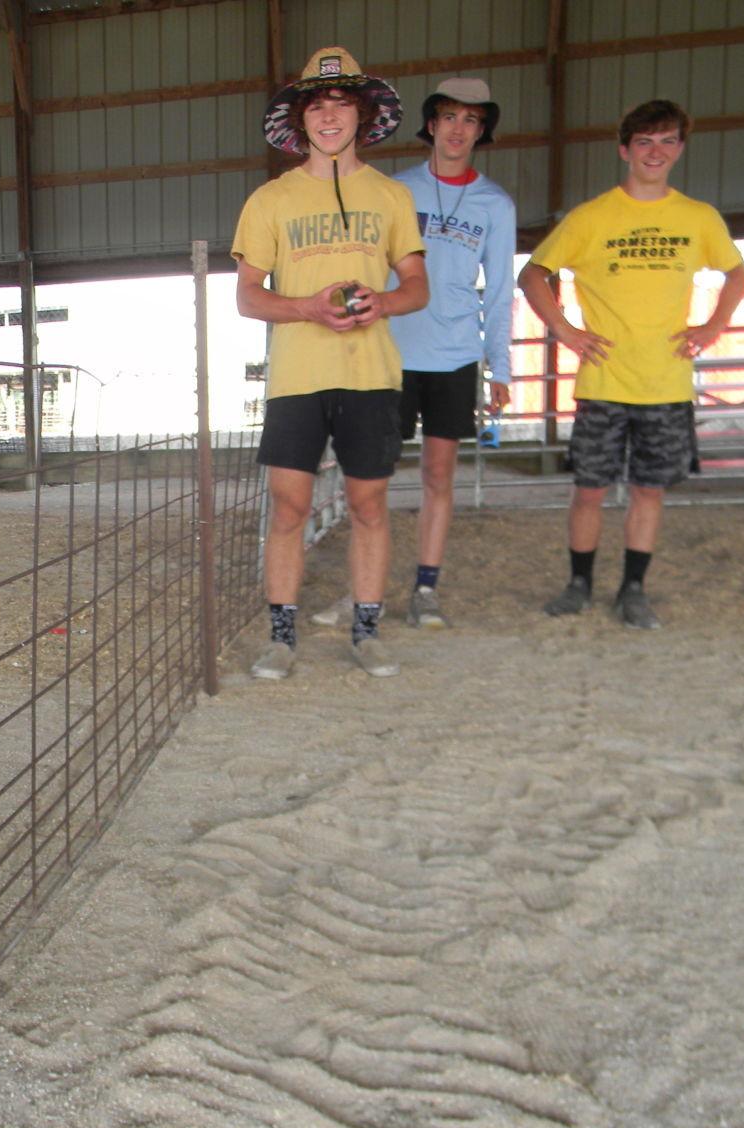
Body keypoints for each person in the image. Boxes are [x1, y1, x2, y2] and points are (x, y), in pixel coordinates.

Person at [232, 46, 428, 679]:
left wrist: (383, 303)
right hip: (298, 377)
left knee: (370, 505)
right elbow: (247, 296)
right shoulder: (270, 200)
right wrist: (309, 308)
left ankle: (365, 630)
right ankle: (281, 636)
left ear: (363, 115)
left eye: (342, 104)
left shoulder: (391, 196)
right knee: (287, 507)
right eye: (318, 105)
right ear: (301, 120)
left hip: (371, 374)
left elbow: (417, 287)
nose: (329, 117)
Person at [519, 99, 744, 628]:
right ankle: (579, 583)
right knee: (590, 489)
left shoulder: (698, 218)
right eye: (644, 141)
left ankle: (633, 588)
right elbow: (534, 274)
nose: (655, 151)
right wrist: (565, 330)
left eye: (667, 141)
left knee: (649, 489)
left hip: (666, 381)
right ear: (624, 150)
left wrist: (714, 326)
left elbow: (738, 275)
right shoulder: (592, 216)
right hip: (604, 379)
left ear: (680, 150)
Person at [386, 77, 516, 628]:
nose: (459, 129)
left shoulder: (495, 204)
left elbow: (503, 288)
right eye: (450, 117)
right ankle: (363, 587)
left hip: (456, 357)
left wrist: (500, 367)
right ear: (431, 125)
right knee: (370, 475)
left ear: (480, 130)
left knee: (440, 476)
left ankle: (425, 586)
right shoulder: (394, 191)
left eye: (472, 120)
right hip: (390, 353)